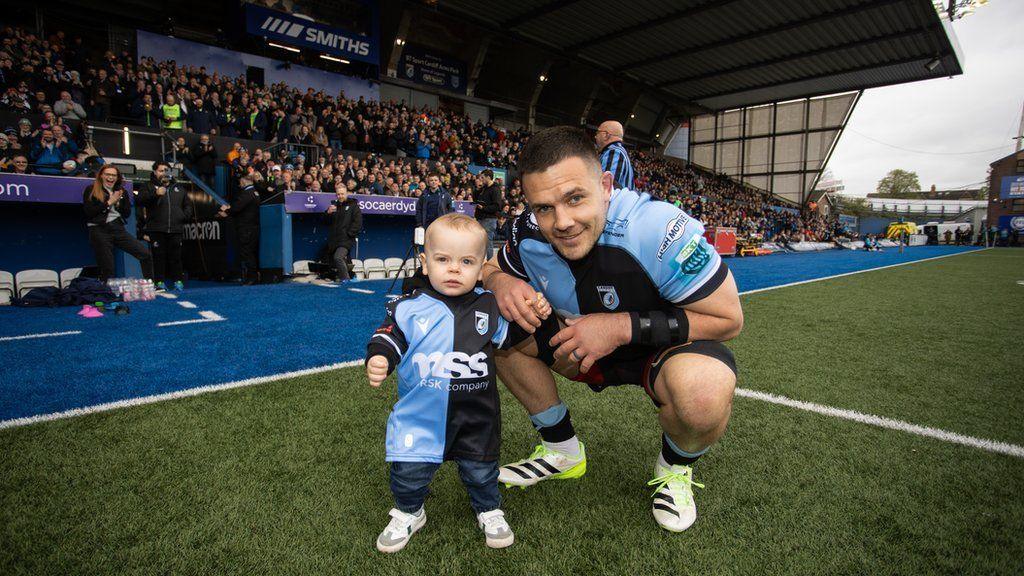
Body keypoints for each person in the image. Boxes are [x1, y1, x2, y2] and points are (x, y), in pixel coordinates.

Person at [483, 127, 742, 532]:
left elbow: (729, 319)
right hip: (579, 346)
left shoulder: (657, 229)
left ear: (605, 185)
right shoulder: (525, 230)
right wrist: (498, 281)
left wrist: (621, 326)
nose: (562, 221)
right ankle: (562, 449)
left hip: (664, 350)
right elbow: (491, 267)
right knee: (490, 324)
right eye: (544, 208)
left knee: (705, 391)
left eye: (574, 198)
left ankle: (674, 470)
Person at [364, 213, 550, 553]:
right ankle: (409, 511)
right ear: (424, 263)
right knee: (408, 473)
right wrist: (380, 358)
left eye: (466, 261)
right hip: (420, 416)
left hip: (476, 415)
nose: (453, 269)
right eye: (443, 259)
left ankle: (489, 509)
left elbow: (512, 338)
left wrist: (537, 311)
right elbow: (388, 336)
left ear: (481, 269)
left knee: (481, 471)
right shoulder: (407, 308)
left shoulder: (488, 307)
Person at [82, 165, 153, 281]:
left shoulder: (121, 191)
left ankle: (151, 285)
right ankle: (107, 293)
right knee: (108, 267)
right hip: (99, 230)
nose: (111, 177)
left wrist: (119, 204)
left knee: (145, 254)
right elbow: (89, 212)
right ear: (101, 176)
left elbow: (127, 214)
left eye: (113, 175)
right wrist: (109, 202)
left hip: (117, 228)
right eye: (107, 174)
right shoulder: (91, 189)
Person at [136, 161, 193, 290]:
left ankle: (178, 281)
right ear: (155, 172)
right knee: (158, 257)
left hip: (175, 228)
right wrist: (155, 194)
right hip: (156, 228)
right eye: (161, 171)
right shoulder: (148, 186)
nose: (164, 173)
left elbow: (188, 205)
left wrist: (183, 216)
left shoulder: (179, 187)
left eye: (166, 170)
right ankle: (159, 282)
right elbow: (139, 200)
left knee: (176, 257)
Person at [219, 173, 261, 284]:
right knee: (250, 252)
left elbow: (237, 207)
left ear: (243, 181)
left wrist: (227, 211)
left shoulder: (247, 193)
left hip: (246, 228)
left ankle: (251, 278)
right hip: (253, 227)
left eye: (240, 181)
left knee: (247, 252)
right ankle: (252, 276)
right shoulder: (255, 192)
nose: (239, 183)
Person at [324, 182, 362, 281]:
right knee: (341, 260)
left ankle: (346, 279)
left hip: (346, 239)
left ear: (346, 194)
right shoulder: (333, 206)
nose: (340, 196)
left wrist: (349, 234)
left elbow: (358, 222)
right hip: (335, 240)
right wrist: (328, 213)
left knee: (338, 257)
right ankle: (351, 276)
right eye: (338, 194)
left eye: (342, 194)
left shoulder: (353, 205)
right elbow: (326, 222)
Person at [473, 169, 504, 259]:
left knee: (487, 243)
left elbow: (497, 206)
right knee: (479, 242)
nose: (481, 179)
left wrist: (483, 208)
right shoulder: (484, 188)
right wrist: (477, 189)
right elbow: (476, 199)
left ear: (488, 177)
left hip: (489, 220)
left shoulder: (495, 189)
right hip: (480, 218)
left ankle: (490, 263)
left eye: (483, 178)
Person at [595, 120, 634, 190]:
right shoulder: (618, 151)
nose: (595, 136)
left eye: (598, 132)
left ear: (606, 135)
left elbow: (605, 189)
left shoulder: (614, 152)